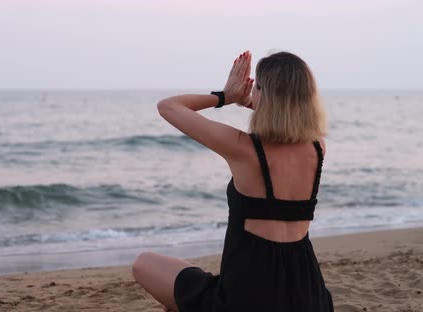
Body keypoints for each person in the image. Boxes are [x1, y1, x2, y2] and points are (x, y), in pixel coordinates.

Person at [131, 51, 334, 312]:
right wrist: (253, 101)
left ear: (265, 94)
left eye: (257, 88)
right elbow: (288, 121)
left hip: (245, 298)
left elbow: (168, 106)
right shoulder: (317, 148)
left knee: (144, 263)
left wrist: (226, 97)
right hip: (308, 297)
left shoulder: (244, 149)